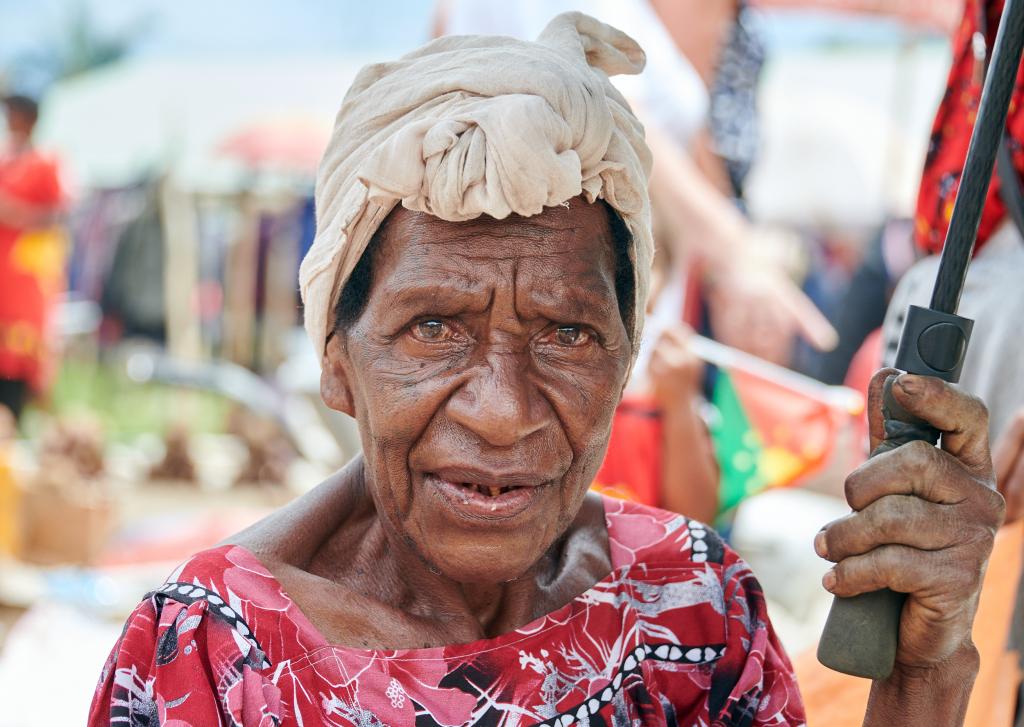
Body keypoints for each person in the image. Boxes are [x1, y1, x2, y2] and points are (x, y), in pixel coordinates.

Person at [89, 14, 1002, 725]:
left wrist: (924, 671)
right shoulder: (205, 658)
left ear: (627, 358)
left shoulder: (691, 602)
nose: (501, 411)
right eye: (434, 327)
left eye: (566, 334)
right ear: (337, 359)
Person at [0, 95, 65, 422]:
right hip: (3, 276)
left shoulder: (45, 162)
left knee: (21, 352)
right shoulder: (4, 159)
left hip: (25, 276)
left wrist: (16, 215)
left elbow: (58, 215)